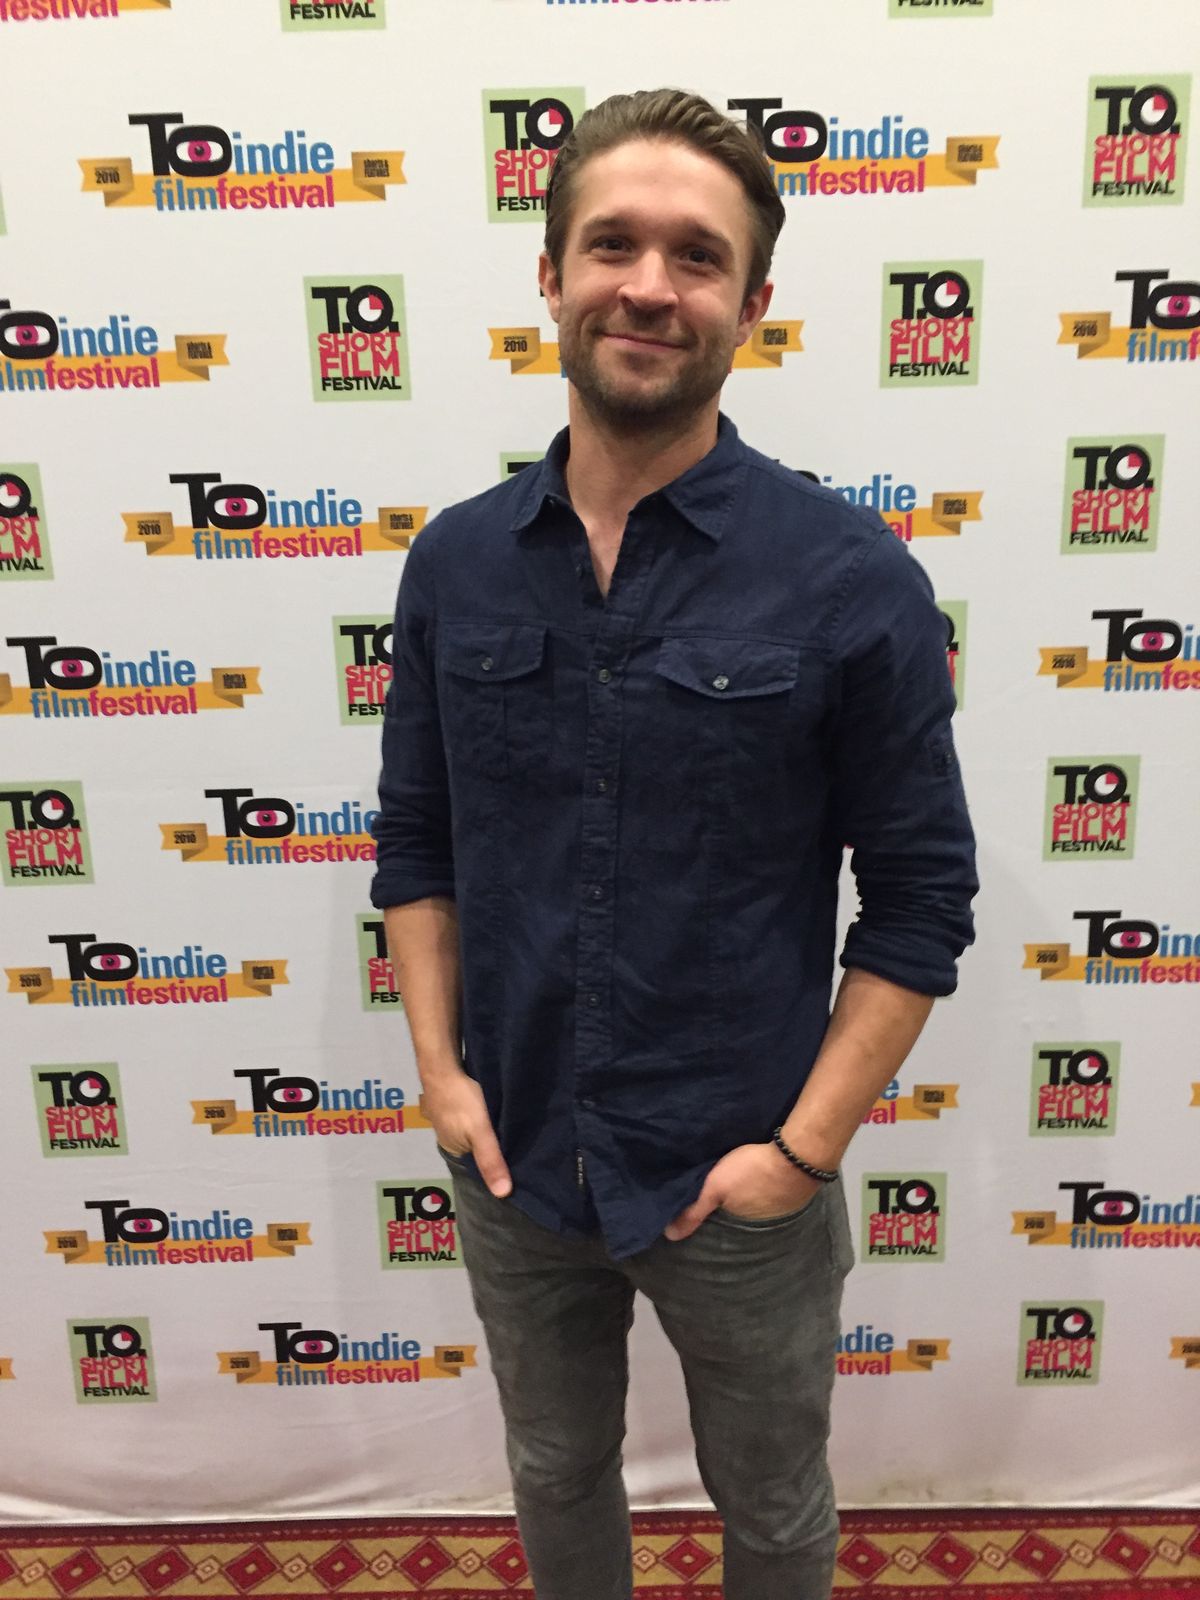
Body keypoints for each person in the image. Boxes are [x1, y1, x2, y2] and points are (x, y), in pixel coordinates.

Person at [370, 87, 977, 1600]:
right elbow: (417, 843)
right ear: (551, 274)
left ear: (751, 305)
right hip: (512, 1163)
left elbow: (919, 901)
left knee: (772, 1503)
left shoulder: (851, 578)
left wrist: (802, 1153)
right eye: (612, 244)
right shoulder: (456, 563)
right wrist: (444, 1078)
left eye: (697, 256)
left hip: (737, 1174)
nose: (650, 285)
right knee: (554, 1471)